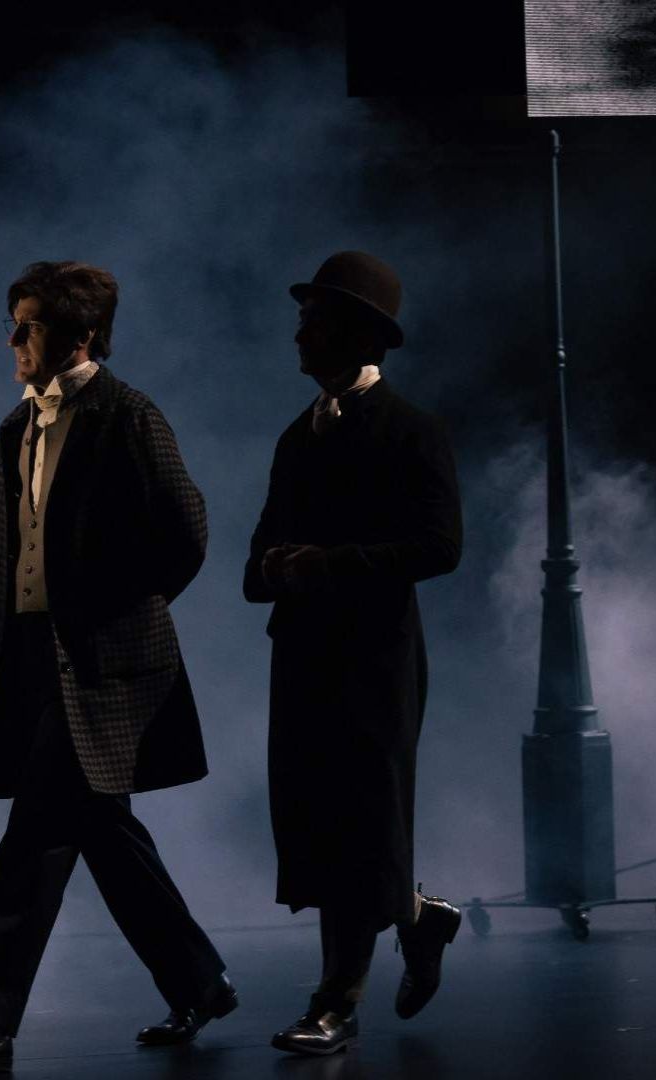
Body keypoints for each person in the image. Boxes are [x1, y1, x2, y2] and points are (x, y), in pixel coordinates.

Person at [0, 261, 232, 1072]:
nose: (12, 340)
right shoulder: (16, 426)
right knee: (103, 834)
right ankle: (201, 982)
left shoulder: (128, 416)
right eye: (12, 323)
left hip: (104, 664)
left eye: (27, 325)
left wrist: (117, 612)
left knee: (34, 835)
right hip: (34, 661)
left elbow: (187, 532)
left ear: (78, 335)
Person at [243, 251, 464, 1057]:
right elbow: (258, 552)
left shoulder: (413, 431)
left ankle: (336, 1002)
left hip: (375, 660)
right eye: (303, 315)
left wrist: (328, 566)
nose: (300, 329)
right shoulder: (295, 437)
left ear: (362, 334)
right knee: (316, 820)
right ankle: (417, 916)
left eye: (318, 316)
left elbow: (441, 547)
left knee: (363, 820)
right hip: (302, 656)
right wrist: (271, 569)